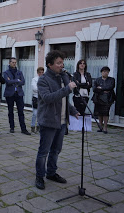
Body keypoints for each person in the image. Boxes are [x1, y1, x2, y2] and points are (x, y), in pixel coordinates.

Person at [35, 50, 79, 190]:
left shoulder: (62, 77)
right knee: (44, 152)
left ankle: (51, 173)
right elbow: (48, 98)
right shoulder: (43, 80)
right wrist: (67, 89)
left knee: (56, 150)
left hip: (61, 122)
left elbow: (64, 99)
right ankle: (39, 176)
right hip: (48, 121)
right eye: (58, 63)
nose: (62, 65)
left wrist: (73, 111)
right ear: (50, 65)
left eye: (62, 62)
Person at [3, 57, 31, 135]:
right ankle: (12, 127)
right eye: (13, 62)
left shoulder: (19, 72)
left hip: (19, 93)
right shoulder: (6, 72)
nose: (14, 64)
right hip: (9, 94)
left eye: (15, 62)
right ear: (9, 63)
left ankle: (23, 128)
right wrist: (17, 80)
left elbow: (23, 82)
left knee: (21, 111)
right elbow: (7, 82)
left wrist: (14, 81)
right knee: (10, 111)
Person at [93, 66, 115, 134]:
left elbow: (111, 87)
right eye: (104, 71)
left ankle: (105, 127)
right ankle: (100, 126)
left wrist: (101, 88)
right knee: (99, 113)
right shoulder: (97, 80)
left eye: (107, 72)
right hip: (98, 98)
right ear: (101, 72)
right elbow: (94, 89)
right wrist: (103, 90)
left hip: (108, 98)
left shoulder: (111, 79)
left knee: (105, 113)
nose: (105, 73)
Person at [31, 67, 44, 133]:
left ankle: (39, 127)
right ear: (37, 73)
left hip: (42, 98)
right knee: (35, 113)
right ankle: (33, 126)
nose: (41, 74)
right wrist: (42, 90)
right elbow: (34, 88)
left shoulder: (45, 79)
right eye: (40, 72)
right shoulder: (34, 79)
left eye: (42, 72)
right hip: (36, 98)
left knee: (41, 113)